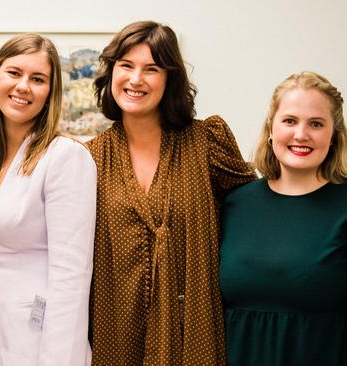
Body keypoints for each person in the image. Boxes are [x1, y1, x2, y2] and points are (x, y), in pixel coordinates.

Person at [87, 21, 256, 365]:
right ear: (112, 72)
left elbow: (259, 208)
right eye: (126, 66)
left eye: (151, 69)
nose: (136, 79)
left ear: (170, 78)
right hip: (115, 335)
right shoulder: (88, 160)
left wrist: (334, 186)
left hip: (194, 333)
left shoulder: (207, 142)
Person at [0, 33, 97, 365]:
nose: (23, 86)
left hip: (34, 341)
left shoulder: (65, 157)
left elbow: (71, 277)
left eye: (37, 79)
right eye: (14, 73)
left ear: (50, 92)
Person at [219, 71, 347, 365]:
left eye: (316, 124)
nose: (301, 134)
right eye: (290, 121)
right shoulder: (234, 203)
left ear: (334, 135)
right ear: (271, 129)